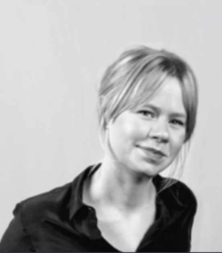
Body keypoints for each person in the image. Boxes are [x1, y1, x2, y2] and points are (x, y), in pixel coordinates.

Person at [0, 46, 198, 252]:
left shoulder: (179, 204)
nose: (162, 133)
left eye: (176, 121)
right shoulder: (35, 223)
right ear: (107, 113)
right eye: (147, 113)